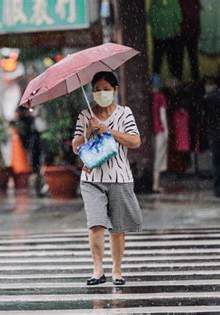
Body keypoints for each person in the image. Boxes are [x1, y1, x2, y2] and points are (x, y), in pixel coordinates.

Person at [72, 71, 142, 286]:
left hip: (119, 177)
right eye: (97, 90)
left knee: (118, 228)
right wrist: (88, 133)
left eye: (106, 89)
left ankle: (117, 270)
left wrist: (108, 131)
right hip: (92, 178)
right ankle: (97, 270)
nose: (101, 93)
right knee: (95, 224)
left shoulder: (125, 113)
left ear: (115, 90)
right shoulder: (85, 115)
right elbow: (75, 147)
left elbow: (135, 141)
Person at [151, 74, 169, 193]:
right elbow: (162, 114)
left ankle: (154, 184)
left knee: (153, 157)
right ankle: (155, 185)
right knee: (159, 157)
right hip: (160, 131)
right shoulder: (161, 97)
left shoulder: (149, 97)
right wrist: (166, 130)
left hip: (151, 131)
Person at [202, 77, 220, 197]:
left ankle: (218, 187)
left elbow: (204, 118)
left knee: (216, 162)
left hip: (214, 134)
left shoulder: (208, 98)